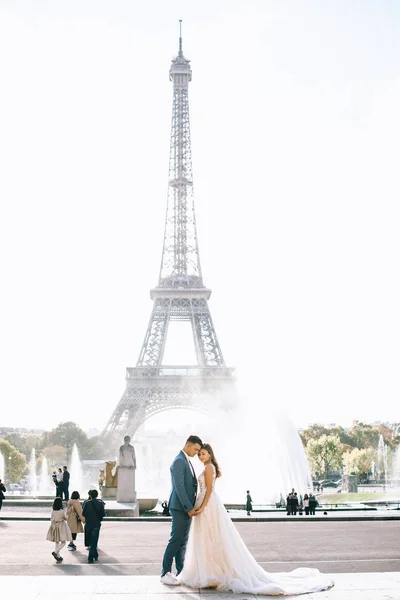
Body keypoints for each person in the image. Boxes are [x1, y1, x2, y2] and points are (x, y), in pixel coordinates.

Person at [178, 443, 334, 595]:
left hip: (208, 505)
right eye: (199, 454)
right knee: (211, 538)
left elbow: (209, 490)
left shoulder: (208, 468)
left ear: (210, 454)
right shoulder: (209, 468)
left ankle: (209, 572)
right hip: (209, 504)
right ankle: (211, 571)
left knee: (208, 538)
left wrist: (202, 507)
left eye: (203, 453)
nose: (200, 456)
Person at [160, 434, 203, 586]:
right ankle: (165, 572)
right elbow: (180, 487)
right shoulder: (179, 461)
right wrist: (189, 508)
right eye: (196, 449)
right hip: (180, 508)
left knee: (182, 542)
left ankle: (180, 572)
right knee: (176, 540)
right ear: (189, 445)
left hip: (184, 508)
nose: (197, 453)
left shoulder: (185, 460)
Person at [82, 488, 105, 563]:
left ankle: (95, 555)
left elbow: (83, 514)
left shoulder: (86, 503)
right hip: (96, 524)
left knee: (91, 541)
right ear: (97, 495)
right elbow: (103, 514)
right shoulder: (100, 503)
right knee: (94, 541)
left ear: (90, 495)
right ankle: (90, 557)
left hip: (88, 524)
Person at [46, 497, 72, 562]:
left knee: (57, 541)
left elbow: (51, 519)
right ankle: (55, 552)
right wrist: (68, 515)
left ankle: (58, 556)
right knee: (63, 542)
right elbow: (66, 518)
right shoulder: (62, 511)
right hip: (61, 527)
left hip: (54, 526)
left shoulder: (52, 511)